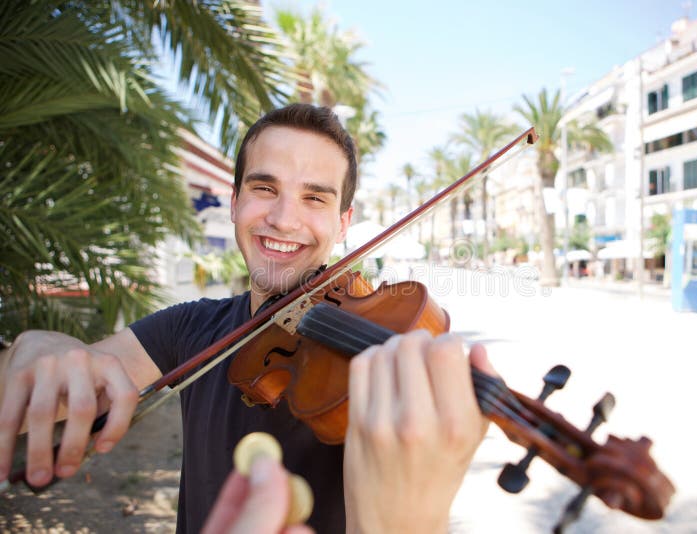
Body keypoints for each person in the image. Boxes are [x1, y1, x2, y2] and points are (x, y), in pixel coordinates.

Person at [0, 104, 490, 533]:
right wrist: (36, 351)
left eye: (314, 197)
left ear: (343, 222)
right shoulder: (190, 329)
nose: (282, 218)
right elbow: (71, 374)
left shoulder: (379, 369)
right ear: (235, 204)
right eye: (264, 187)